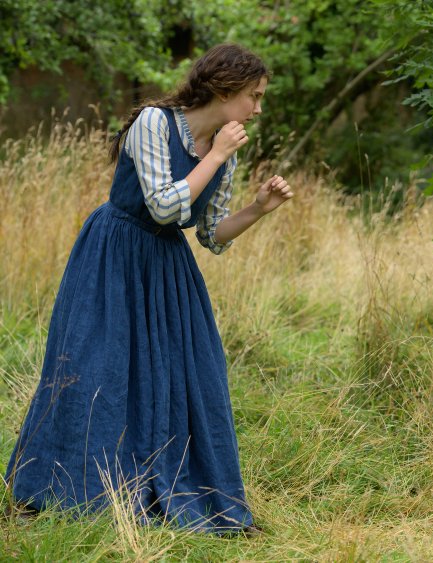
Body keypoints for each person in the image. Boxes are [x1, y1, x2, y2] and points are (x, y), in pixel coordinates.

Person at [5, 43, 293, 533]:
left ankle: (182, 492)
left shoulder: (224, 153)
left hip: (166, 266)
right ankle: (56, 491)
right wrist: (218, 153)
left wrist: (257, 210)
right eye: (254, 96)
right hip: (113, 254)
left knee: (190, 372)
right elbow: (163, 207)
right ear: (224, 89)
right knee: (97, 368)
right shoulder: (155, 124)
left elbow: (209, 234)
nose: (258, 108)